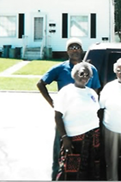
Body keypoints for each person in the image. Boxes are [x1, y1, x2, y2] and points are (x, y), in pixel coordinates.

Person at [37, 38, 101, 180]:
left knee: (86, 160)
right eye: (71, 47)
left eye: (77, 46)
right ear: (67, 51)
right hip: (65, 122)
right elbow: (40, 83)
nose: (74, 49)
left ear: (82, 50)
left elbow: (95, 91)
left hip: (86, 125)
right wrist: (53, 103)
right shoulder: (60, 68)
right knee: (62, 156)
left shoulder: (91, 70)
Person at [54, 62, 102, 180]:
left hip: (92, 137)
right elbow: (57, 116)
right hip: (74, 138)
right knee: (70, 170)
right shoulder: (66, 92)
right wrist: (64, 137)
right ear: (74, 75)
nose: (84, 77)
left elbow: (96, 112)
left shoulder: (91, 93)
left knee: (89, 170)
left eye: (87, 75)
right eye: (81, 74)